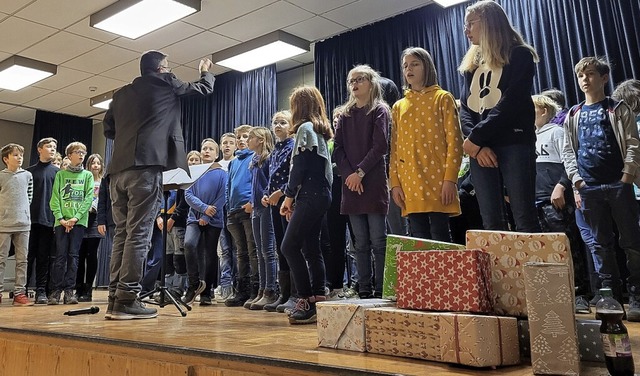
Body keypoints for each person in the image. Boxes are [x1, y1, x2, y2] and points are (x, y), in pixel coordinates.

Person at [103, 50, 214, 320]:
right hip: (145, 168)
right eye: (168, 67)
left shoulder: (120, 94)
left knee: (122, 235)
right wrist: (205, 70)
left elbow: (108, 129)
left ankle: (115, 299)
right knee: (139, 235)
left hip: (117, 172)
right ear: (162, 69)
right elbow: (202, 89)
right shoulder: (165, 82)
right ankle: (127, 299)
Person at [562, 56, 640, 321]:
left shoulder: (617, 108)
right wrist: (577, 180)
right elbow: (569, 151)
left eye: (591, 74)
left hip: (618, 184)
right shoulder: (573, 114)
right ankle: (611, 297)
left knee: (631, 242)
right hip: (589, 188)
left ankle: (637, 294)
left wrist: (627, 175)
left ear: (604, 78)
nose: (585, 80)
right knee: (600, 245)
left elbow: (632, 143)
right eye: (581, 76)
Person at [458, 0, 541, 232]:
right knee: (491, 222)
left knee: (524, 216)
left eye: (470, 24)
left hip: (514, 142)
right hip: (480, 148)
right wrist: (477, 144)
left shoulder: (520, 55)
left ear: (489, 23)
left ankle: (529, 269)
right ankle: (499, 270)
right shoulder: (471, 65)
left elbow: (511, 102)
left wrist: (476, 138)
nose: (466, 30)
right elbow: (466, 108)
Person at [391, 47, 463, 241]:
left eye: (415, 64)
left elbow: (455, 143)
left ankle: (444, 272)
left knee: (440, 236)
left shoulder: (443, 98)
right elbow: (394, 150)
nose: (409, 69)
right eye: (405, 65)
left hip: (438, 181)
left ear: (427, 67)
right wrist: (395, 184)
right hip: (409, 184)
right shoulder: (398, 106)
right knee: (418, 238)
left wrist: (450, 180)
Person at [334, 65, 390, 298]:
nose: (354, 84)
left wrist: (360, 172)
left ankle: (381, 289)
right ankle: (364, 289)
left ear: (371, 82)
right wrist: (349, 175)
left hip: (373, 182)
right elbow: (338, 149)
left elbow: (380, 146)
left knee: (378, 241)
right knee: (360, 243)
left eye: (360, 79)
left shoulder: (380, 110)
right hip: (351, 185)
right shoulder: (345, 115)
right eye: (351, 80)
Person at [532, 94, 591, 313]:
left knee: (568, 246)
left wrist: (562, 185)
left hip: (554, 199)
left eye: (533, 109)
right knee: (544, 250)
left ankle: (580, 294)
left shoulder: (556, 132)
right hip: (535, 201)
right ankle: (554, 293)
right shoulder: (530, 137)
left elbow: (570, 160)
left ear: (544, 111)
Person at [280, 86, 333, 324]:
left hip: (310, 194)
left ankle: (304, 298)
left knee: (289, 246)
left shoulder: (304, 129)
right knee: (312, 248)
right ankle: (318, 296)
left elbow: (299, 169)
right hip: (321, 195)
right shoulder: (318, 132)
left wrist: (288, 197)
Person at [48, 142, 94, 305]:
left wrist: (75, 218)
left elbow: (89, 198)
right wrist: (61, 218)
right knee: (60, 257)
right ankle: (55, 291)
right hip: (61, 222)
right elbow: (55, 199)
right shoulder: (61, 175)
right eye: (77, 152)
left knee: (74, 256)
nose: (81, 154)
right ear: (69, 156)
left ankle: (69, 291)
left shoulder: (88, 175)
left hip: (78, 222)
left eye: (83, 151)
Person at [183, 142, 227, 306]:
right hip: (194, 218)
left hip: (214, 219)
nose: (207, 151)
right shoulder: (193, 173)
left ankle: (207, 292)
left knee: (210, 254)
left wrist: (208, 216)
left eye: (211, 149)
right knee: (189, 244)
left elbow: (223, 196)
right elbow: (188, 194)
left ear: (216, 154)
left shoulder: (222, 173)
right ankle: (194, 284)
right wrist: (203, 210)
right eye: (204, 148)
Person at [262, 111, 296, 312]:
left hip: (287, 199)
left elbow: (292, 175)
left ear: (291, 125)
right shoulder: (275, 150)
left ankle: (295, 293)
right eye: (275, 122)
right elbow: (271, 177)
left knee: (290, 245)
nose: (278, 126)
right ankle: (284, 293)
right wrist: (267, 194)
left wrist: (281, 192)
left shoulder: (292, 146)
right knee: (280, 245)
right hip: (274, 202)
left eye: (283, 122)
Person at [224, 125, 259, 307]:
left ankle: (256, 289)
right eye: (239, 137)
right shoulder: (233, 162)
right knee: (240, 252)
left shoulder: (255, 157)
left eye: (245, 136)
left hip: (248, 209)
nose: (241, 140)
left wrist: (253, 202)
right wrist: (228, 206)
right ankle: (242, 291)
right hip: (234, 211)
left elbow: (257, 181)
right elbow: (228, 186)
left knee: (253, 250)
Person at [245, 127, 277, 310]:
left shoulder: (268, 158)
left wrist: (265, 195)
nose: (248, 140)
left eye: (251, 138)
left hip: (266, 207)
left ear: (262, 140)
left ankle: (270, 290)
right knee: (259, 251)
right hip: (256, 208)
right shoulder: (254, 160)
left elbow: (270, 182)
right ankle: (262, 289)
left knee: (268, 251)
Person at [26, 137, 59, 304]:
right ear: (39, 149)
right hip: (30, 221)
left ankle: (40, 290)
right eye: (48, 146)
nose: (52, 149)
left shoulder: (57, 173)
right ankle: (23, 288)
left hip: (48, 221)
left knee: (43, 256)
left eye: (54, 147)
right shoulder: (29, 172)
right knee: (27, 256)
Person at [0, 143, 33, 305]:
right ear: (6, 159)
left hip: (23, 224)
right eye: (15, 155)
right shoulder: (1, 176)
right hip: (4, 224)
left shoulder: (27, 175)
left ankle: (19, 292)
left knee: (22, 260)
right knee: (1, 259)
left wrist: (24, 213)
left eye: (20, 155)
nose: (19, 158)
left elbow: (29, 196)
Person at [75, 153, 105, 302]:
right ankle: (78, 287)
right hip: (82, 218)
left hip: (95, 220)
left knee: (91, 254)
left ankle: (88, 289)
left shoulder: (104, 182)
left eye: (98, 163)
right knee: (79, 255)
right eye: (93, 163)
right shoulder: (83, 179)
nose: (95, 165)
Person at [215, 133, 237, 303]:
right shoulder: (217, 166)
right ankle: (225, 284)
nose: (227, 146)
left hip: (234, 209)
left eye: (231, 143)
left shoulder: (237, 163)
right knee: (224, 250)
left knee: (238, 249)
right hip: (219, 210)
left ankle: (238, 284)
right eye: (224, 143)